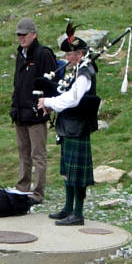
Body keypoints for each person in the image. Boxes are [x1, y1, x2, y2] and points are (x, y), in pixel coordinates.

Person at [37, 32, 98, 225]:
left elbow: (73, 99)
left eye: (69, 55)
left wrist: (49, 101)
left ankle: (77, 214)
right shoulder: (77, 69)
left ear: (79, 54)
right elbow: (65, 93)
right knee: (68, 171)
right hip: (69, 126)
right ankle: (68, 208)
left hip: (78, 127)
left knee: (76, 173)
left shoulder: (85, 73)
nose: (66, 59)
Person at [10, 17, 57, 205]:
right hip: (20, 112)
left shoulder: (44, 54)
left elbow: (52, 82)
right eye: (19, 35)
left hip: (36, 113)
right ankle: (22, 188)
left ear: (34, 34)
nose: (21, 38)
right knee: (23, 151)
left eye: (24, 34)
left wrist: (47, 105)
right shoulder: (20, 54)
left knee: (38, 154)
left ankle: (38, 192)